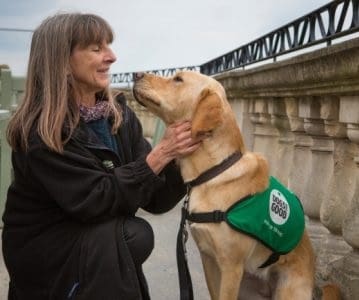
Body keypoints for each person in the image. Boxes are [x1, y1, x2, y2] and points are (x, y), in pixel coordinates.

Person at [1, 13, 201, 300]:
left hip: (93, 233)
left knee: (129, 236)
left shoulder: (117, 114)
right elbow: (94, 199)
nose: (112, 56)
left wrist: (184, 160)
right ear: (62, 61)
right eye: (97, 49)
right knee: (131, 235)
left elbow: (155, 199)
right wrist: (162, 152)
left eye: (108, 46)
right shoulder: (42, 130)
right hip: (46, 247)